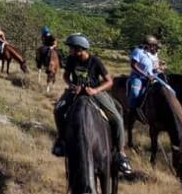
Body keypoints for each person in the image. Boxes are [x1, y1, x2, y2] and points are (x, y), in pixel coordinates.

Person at [52, 33, 133, 176]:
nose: (69, 50)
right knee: (58, 110)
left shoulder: (95, 61)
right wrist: (71, 85)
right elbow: (66, 76)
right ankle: (61, 140)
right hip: (76, 91)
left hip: (94, 92)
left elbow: (109, 81)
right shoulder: (72, 59)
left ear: (80, 49)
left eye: (71, 47)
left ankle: (120, 153)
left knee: (117, 118)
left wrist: (95, 90)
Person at [128, 35, 158, 110]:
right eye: (153, 45)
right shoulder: (138, 51)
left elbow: (151, 66)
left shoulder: (151, 54)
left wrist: (158, 68)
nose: (154, 47)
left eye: (154, 45)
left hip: (151, 77)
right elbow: (133, 65)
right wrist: (145, 75)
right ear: (148, 45)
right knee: (135, 93)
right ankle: (132, 110)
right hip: (138, 77)